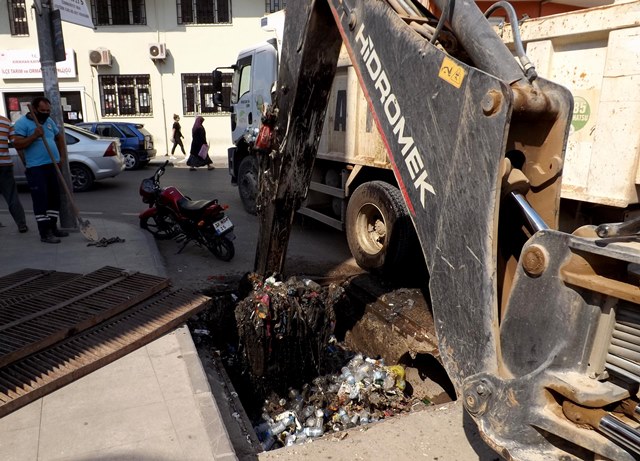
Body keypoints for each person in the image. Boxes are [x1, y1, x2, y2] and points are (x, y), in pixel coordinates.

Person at [12, 96, 69, 244]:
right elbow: (18, 144)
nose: (46, 112)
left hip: (53, 165)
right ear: (35, 109)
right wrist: (34, 135)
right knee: (41, 200)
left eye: (48, 110)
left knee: (54, 199)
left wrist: (62, 157)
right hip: (36, 167)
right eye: (43, 110)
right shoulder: (22, 124)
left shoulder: (49, 122)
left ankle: (52, 227)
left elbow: (59, 137)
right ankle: (44, 233)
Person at [0, 115, 28, 233]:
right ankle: (21, 224)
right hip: (4, 165)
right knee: (11, 196)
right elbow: (17, 144)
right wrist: (26, 163)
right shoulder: (5, 122)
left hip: (5, 166)